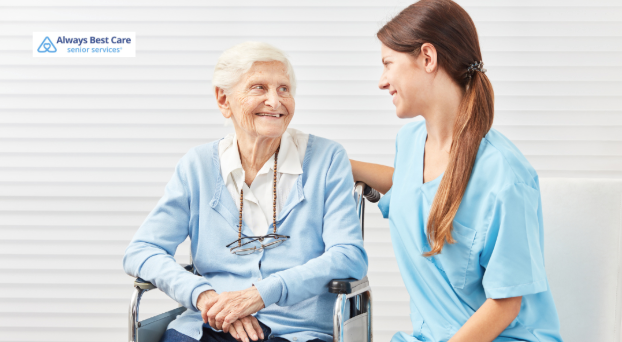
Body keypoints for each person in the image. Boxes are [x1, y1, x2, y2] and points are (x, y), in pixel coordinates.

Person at [123, 41, 368, 342]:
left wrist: (262, 294)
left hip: (296, 332)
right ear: (223, 99)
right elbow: (141, 250)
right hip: (209, 325)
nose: (275, 102)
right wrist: (205, 297)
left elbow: (348, 256)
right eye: (259, 88)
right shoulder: (197, 166)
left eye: (284, 89)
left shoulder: (327, 159)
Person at [350, 1, 563, 341]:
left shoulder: (505, 176)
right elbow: (415, 190)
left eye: (388, 64)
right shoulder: (411, 142)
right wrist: (336, 164)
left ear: (428, 58)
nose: (382, 81)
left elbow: (506, 303)